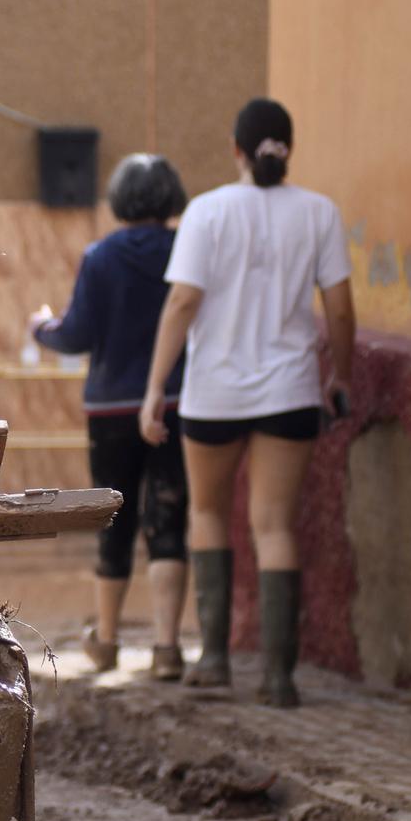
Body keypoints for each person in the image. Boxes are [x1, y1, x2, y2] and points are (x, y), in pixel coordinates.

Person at [139, 98, 356, 707]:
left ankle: (213, 661)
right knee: (274, 525)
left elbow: (182, 304)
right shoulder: (320, 213)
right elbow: (339, 308)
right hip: (291, 392)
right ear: (289, 148)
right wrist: (339, 373)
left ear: (236, 149)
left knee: (208, 516)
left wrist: (156, 390)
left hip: (214, 395)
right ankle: (280, 677)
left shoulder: (206, 212)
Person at [32, 154, 191, 681]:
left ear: (120, 198)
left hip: (110, 410)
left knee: (114, 520)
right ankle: (168, 648)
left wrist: (41, 328)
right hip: (175, 402)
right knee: (169, 520)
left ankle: (106, 639)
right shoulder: (185, 251)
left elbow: (74, 334)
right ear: (170, 198)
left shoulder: (100, 257)